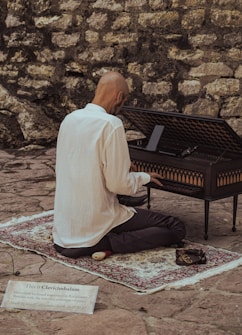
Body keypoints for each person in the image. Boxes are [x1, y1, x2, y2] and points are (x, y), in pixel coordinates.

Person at [53, 71, 186, 259]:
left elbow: (85, 160)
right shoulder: (111, 124)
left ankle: (97, 240)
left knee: (124, 208)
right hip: (95, 222)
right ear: (118, 96)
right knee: (176, 227)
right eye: (123, 102)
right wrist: (144, 177)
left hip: (63, 233)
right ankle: (106, 243)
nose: (121, 106)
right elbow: (118, 185)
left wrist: (122, 166)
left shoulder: (70, 119)